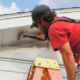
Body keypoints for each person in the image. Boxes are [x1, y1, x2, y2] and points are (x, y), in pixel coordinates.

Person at [31, 5, 80, 80]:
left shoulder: (54, 28)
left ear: (40, 21)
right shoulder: (64, 21)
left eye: (37, 26)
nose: (39, 29)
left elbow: (67, 55)